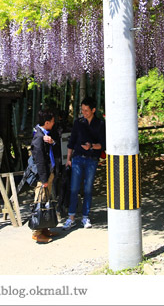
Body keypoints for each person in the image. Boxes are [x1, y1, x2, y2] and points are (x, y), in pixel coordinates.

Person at [62, 97, 106, 230]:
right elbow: (71, 142)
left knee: (88, 189)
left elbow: (103, 144)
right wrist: (68, 159)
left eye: (86, 110)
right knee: (74, 188)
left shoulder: (100, 124)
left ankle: (86, 216)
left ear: (93, 110)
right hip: (77, 158)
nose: (84, 112)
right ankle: (71, 217)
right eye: (82, 110)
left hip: (92, 159)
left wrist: (92, 146)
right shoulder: (78, 122)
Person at [30, 109, 58, 244]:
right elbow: (39, 160)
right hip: (44, 176)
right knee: (40, 201)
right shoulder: (38, 138)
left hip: (48, 173)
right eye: (52, 122)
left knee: (46, 201)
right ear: (46, 122)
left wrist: (51, 142)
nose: (53, 124)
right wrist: (43, 179)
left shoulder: (44, 134)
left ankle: (45, 228)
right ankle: (37, 232)